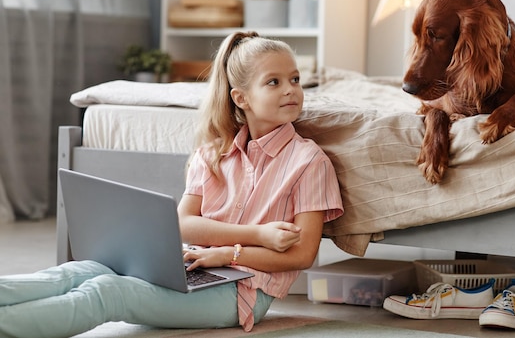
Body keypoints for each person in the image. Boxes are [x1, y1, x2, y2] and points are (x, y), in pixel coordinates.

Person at [0, 31, 344, 338]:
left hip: (242, 294)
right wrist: (258, 235)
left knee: (109, 292)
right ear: (241, 98)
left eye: (295, 79)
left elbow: (302, 253)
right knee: (81, 271)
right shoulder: (212, 154)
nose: (291, 90)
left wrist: (228, 253)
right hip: (190, 266)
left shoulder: (309, 162)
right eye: (274, 82)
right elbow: (184, 224)